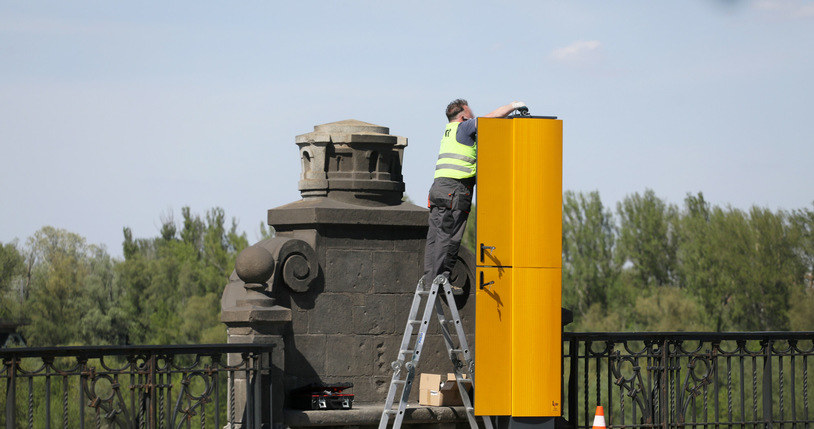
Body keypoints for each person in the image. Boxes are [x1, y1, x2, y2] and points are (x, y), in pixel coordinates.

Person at [423, 99, 527, 284]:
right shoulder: (464, 128)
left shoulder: (448, 132)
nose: (474, 119)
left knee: (435, 235)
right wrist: (514, 105)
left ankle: (430, 277)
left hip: (438, 188)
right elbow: (492, 118)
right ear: (463, 116)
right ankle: (440, 280)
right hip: (454, 191)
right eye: (471, 115)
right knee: (450, 237)